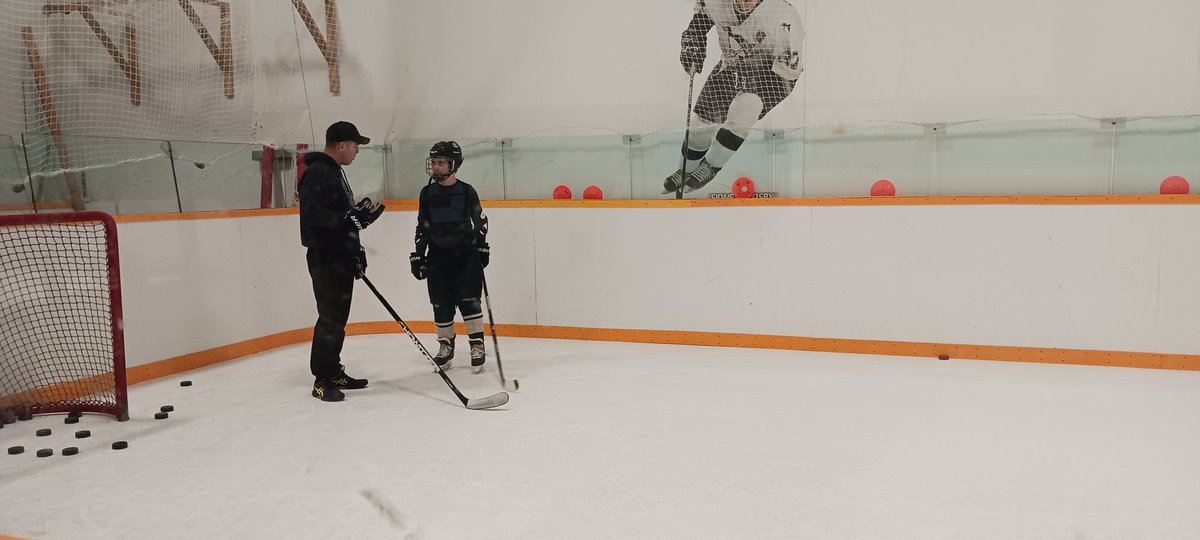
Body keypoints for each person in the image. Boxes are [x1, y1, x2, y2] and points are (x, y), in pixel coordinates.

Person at [663, 0, 805, 195]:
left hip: (771, 71)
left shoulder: (781, 16)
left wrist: (753, 90)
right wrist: (693, 38)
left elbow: (787, 72)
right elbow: (702, 18)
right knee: (702, 122)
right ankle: (685, 169)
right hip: (732, 63)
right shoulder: (717, 3)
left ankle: (712, 165)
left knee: (746, 106)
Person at [299, 121, 385, 402]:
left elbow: (342, 217)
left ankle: (334, 370)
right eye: (356, 146)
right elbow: (313, 217)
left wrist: (355, 244)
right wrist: (346, 220)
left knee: (339, 318)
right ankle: (322, 379)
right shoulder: (318, 173)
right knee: (330, 318)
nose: (357, 152)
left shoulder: (334, 172)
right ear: (342, 145)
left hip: (340, 254)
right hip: (326, 256)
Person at [409, 141, 490, 374]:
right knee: (441, 304)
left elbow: (481, 221)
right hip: (438, 258)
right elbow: (422, 227)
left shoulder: (466, 191)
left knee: (469, 301)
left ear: (454, 165)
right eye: (434, 163)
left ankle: (477, 344)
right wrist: (418, 255)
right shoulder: (427, 193)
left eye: (441, 163)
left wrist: (482, 246)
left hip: (465, 257)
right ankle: (446, 347)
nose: (436, 167)